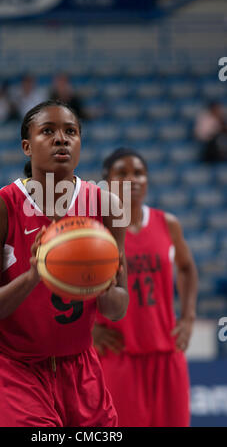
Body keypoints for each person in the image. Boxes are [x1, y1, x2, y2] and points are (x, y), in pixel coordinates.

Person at [0, 100, 129, 427]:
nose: (61, 139)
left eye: (71, 131)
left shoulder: (108, 206)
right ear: (27, 146)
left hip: (78, 366)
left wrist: (105, 288)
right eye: (48, 131)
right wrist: (32, 276)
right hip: (12, 366)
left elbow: (117, 307)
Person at [93, 147, 198, 427]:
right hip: (118, 354)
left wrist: (188, 318)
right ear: (107, 182)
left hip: (166, 352)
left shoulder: (168, 223)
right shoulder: (94, 228)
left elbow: (187, 268)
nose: (133, 180)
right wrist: (88, 328)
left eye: (139, 173)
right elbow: (65, 287)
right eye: (122, 173)